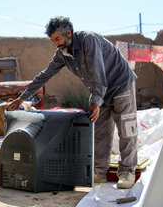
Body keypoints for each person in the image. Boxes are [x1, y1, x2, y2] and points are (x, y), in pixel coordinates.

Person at [7, 16, 138, 189]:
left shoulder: (89, 40)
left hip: (121, 85)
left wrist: (95, 101)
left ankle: (127, 173)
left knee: (126, 130)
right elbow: (45, 75)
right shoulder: (63, 53)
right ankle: (99, 172)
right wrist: (22, 98)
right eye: (53, 40)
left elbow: (98, 73)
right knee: (100, 131)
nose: (56, 44)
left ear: (68, 33)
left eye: (57, 39)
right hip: (101, 91)